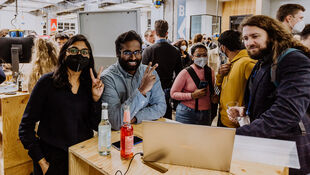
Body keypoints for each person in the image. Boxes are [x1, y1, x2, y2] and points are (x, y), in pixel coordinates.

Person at [228, 15, 310, 174]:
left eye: (255, 36)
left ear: (272, 35)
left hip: (289, 150)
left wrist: (236, 135)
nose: (249, 42)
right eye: (245, 38)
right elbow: (271, 96)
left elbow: (288, 111)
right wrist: (246, 110)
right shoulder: (263, 61)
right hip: (268, 145)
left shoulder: (293, 59)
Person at [19, 34, 104, 175]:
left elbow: (96, 125)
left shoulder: (90, 86)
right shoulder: (47, 82)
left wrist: (96, 99)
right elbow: (25, 127)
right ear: (64, 54)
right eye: (73, 50)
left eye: (84, 52)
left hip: (81, 157)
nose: (79, 55)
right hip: (51, 160)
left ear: (89, 58)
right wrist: (42, 162)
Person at [101, 30, 166, 130]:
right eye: (127, 52)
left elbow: (161, 108)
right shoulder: (108, 78)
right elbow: (115, 122)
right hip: (118, 138)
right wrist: (141, 91)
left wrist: (135, 117)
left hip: (146, 131)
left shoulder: (150, 73)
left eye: (137, 52)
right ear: (118, 53)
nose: (133, 57)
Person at [142, 20, 182, 119]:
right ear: (167, 33)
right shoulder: (175, 51)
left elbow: (142, 72)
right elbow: (179, 73)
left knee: (152, 116)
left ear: (154, 32)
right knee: (167, 115)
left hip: (151, 89)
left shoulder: (148, 50)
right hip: (168, 88)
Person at [216, 30, 256, 127]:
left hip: (236, 122)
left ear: (223, 47)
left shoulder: (247, 63)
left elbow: (258, 93)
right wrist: (220, 75)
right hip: (224, 117)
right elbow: (218, 88)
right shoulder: (230, 62)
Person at [170, 44, 215, 125]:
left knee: (203, 137)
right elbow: (173, 93)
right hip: (187, 113)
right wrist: (192, 95)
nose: (202, 58)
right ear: (192, 57)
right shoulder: (185, 72)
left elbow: (213, 90)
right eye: (198, 55)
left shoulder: (210, 71)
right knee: (184, 137)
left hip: (206, 113)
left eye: (204, 55)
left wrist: (214, 96)